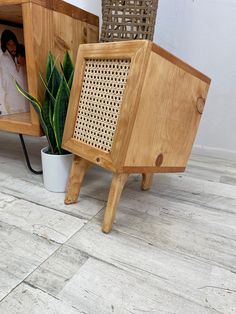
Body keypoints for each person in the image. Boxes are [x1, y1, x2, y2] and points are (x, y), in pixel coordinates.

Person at [0, 29, 29, 115]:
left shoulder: (18, 57)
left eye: (14, 44)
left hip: (24, 102)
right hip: (12, 105)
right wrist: (3, 110)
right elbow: (2, 85)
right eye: (9, 44)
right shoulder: (3, 59)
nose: (12, 47)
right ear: (5, 45)